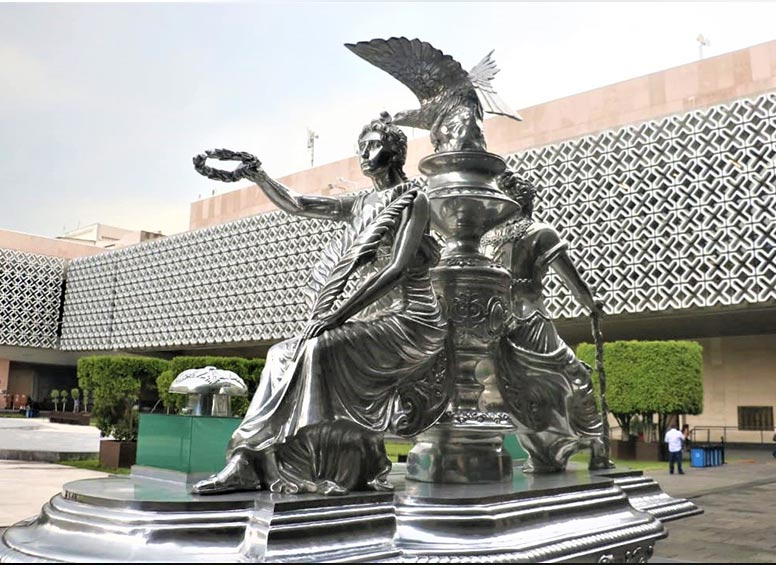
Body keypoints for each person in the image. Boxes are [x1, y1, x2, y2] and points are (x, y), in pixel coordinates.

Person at [192, 114, 448, 495]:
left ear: (395, 153)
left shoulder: (414, 199)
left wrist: (334, 316)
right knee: (280, 354)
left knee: (318, 347)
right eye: (361, 147)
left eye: (374, 145)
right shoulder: (361, 203)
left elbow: (395, 269)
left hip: (411, 319)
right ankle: (248, 458)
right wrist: (259, 175)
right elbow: (298, 204)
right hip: (372, 317)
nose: (365, 154)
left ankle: (309, 461)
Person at [482, 171, 611, 472]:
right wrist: (591, 305)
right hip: (531, 321)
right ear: (528, 202)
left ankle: (541, 452)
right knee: (576, 375)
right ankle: (596, 445)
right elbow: (573, 281)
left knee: (510, 388)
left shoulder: (486, 239)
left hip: (496, 325)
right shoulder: (540, 232)